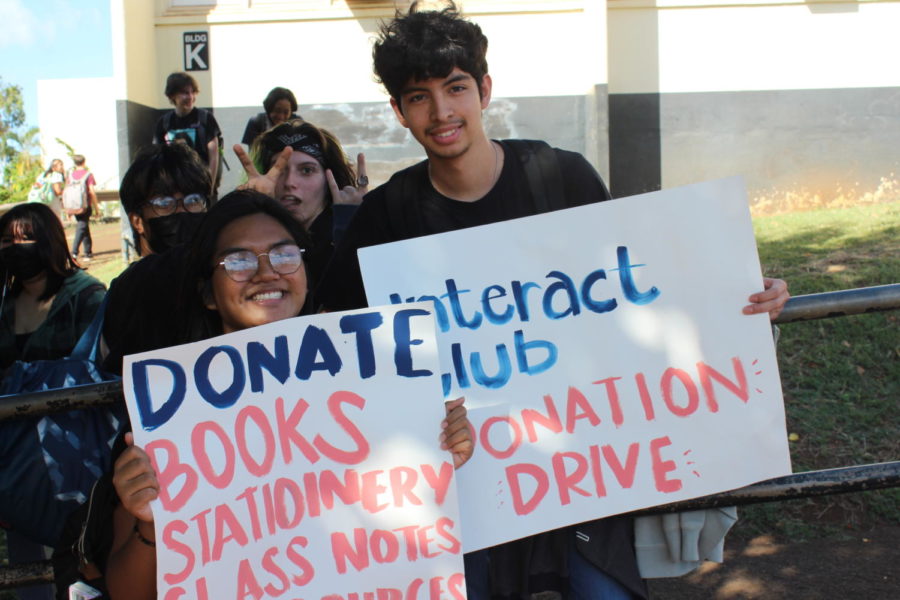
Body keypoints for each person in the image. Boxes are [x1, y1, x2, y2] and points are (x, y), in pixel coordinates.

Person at [316, 3, 791, 599]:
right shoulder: (388, 216)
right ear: (398, 111)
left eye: (456, 87)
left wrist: (739, 294)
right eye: (418, 96)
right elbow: (329, 338)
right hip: (462, 491)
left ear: (484, 89)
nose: (442, 112)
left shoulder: (560, 177)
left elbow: (641, 286)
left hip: (580, 476)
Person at [103, 190, 474, 600]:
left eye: (283, 255)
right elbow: (127, 594)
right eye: (239, 261)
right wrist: (152, 522)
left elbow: (417, 536)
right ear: (208, 293)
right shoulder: (170, 411)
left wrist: (440, 452)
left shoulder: (378, 384)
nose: (266, 273)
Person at [0, 202, 106, 600]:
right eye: (7, 240)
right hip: (13, 456)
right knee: (25, 547)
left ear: (49, 240)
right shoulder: (4, 301)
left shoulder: (87, 296)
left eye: (27, 237)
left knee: (78, 549)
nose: (16, 246)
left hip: (73, 454)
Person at [100, 142, 212, 374]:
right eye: (164, 204)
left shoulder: (216, 276)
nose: (181, 211)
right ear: (137, 221)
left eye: (193, 200)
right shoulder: (129, 288)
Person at [245, 119, 367, 287]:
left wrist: (351, 225)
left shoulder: (343, 230)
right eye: (279, 171)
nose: (289, 182)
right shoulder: (259, 230)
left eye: (306, 170)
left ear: (329, 179)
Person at [153, 72, 221, 192]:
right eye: (185, 93)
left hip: (201, 185)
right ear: (172, 95)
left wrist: (210, 185)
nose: (190, 97)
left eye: (192, 92)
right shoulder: (164, 122)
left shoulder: (205, 118)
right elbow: (158, 156)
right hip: (175, 187)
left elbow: (214, 156)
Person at [66, 154, 101, 263]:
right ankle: (74, 252)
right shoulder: (88, 174)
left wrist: (68, 209)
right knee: (82, 227)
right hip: (85, 205)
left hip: (74, 206)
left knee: (84, 227)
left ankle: (88, 252)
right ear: (84, 162)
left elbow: (66, 192)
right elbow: (91, 191)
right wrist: (96, 208)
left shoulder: (70, 175)